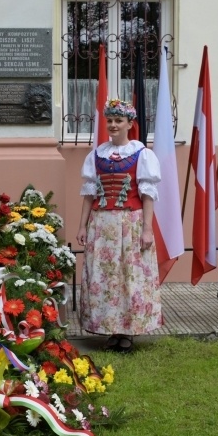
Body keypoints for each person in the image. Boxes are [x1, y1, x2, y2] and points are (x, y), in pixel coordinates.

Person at [76, 98, 163, 353]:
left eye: (119, 121)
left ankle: (128, 332)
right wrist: (82, 226)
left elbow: (147, 195)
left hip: (130, 222)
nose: (113, 125)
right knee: (106, 276)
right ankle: (111, 329)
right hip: (102, 224)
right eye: (110, 121)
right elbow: (89, 195)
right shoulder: (96, 155)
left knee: (128, 275)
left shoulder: (142, 154)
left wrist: (147, 229)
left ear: (129, 124)